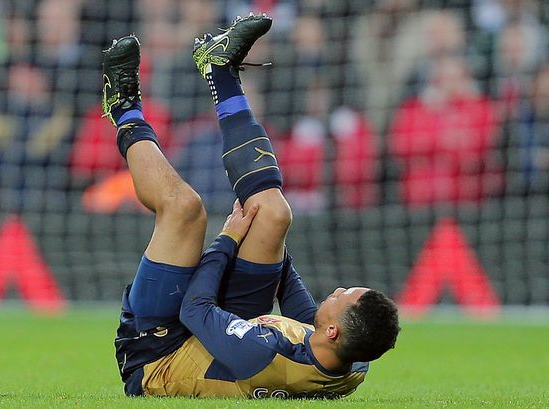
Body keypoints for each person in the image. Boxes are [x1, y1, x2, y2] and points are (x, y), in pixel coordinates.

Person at [105, 14, 400, 398]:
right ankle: (220, 69)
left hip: (158, 352)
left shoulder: (262, 355)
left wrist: (229, 238)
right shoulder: (351, 361)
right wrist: (270, 239)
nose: (339, 288)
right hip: (220, 335)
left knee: (186, 209)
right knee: (274, 215)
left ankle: (123, 108)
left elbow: (195, 310)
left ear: (333, 330)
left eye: (343, 295)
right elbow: (302, 314)